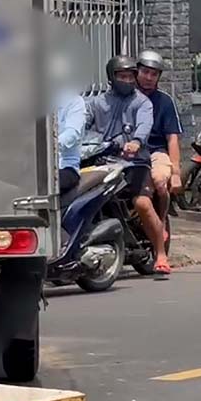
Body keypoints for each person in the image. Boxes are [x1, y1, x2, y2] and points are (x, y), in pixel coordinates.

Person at [86, 54, 170, 275]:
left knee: (142, 203)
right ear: (111, 78)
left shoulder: (142, 102)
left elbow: (144, 124)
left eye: (131, 76)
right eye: (122, 76)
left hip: (135, 164)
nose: (128, 80)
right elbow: (82, 125)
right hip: (103, 162)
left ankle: (160, 253)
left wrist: (136, 141)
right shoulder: (97, 103)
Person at [135, 50, 184, 236]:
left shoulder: (165, 102)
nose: (148, 77)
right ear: (136, 72)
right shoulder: (126, 97)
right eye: (145, 72)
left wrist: (176, 173)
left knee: (160, 181)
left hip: (155, 153)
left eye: (153, 74)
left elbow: (172, 138)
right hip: (128, 154)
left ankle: (161, 222)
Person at [57, 89, 87, 194]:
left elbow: (72, 134)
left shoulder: (74, 101)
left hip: (65, 167)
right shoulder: (27, 103)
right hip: (31, 168)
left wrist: (47, 148)